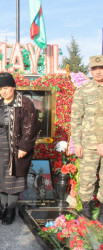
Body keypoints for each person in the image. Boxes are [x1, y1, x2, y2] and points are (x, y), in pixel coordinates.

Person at [0, 72, 38, 225]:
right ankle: (4, 207)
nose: (4, 91)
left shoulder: (24, 103)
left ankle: (11, 210)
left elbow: (30, 128)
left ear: (13, 87)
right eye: (0, 89)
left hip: (15, 148)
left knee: (13, 180)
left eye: (6, 88)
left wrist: (24, 147)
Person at [73, 55, 103, 223]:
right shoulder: (84, 90)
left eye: (101, 68)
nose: (98, 71)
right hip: (89, 143)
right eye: (95, 68)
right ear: (90, 70)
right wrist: (77, 143)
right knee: (86, 179)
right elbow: (76, 119)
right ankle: (85, 212)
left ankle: (101, 215)